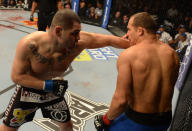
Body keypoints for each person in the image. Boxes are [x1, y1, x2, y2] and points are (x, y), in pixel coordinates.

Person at [0, 9, 130, 131]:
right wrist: (47, 85)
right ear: (58, 31)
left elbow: (107, 40)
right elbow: (17, 76)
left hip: (52, 91)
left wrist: (134, 43)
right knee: (8, 129)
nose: (78, 38)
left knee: (67, 126)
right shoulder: (30, 45)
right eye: (74, 33)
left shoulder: (77, 44)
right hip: (28, 92)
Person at [94, 12, 180, 131]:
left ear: (140, 31)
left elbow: (121, 100)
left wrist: (106, 119)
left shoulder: (129, 55)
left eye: (129, 30)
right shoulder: (172, 54)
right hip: (165, 120)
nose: (127, 34)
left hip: (138, 123)